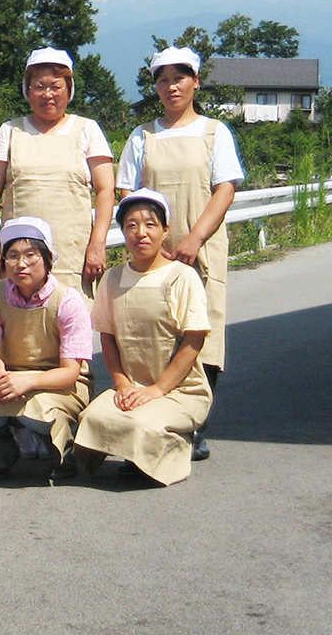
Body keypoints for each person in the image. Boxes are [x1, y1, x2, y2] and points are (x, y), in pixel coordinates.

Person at [116, 46, 244, 462]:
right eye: (162, 79)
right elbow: (127, 193)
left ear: (195, 82)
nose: (171, 86)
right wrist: (148, 239)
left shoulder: (214, 132)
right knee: (153, 336)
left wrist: (193, 240)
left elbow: (225, 187)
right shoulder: (143, 136)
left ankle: (194, 424)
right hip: (151, 253)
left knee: (200, 334)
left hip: (199, 250)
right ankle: (154, 417)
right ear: (154, 86)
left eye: (179, 77)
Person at [74, 190, 213, 486]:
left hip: (178, 391)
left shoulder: (182, 277)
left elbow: (194, 341)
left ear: (165, 231)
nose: (141, 233)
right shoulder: (111, 279)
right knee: (92, 420)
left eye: (150, 225)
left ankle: (175, 446)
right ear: (123, 231)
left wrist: (159, 389)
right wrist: (122, 383)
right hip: (131, 386)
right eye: (131, 226)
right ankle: (137, 449)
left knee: (139, 424)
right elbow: (108, 339)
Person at [0, 217, 93, 481]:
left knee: (39, 409)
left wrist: (27, 381)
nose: (21, 264)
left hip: (60, 384)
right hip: (10, 377)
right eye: (12, 255)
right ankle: (2, 448)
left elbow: (69, 372)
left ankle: (61, 448)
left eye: (31, 255)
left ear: (47, 259)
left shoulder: (68, 300)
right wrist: (2, 378)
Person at [0, 47, 116, 298]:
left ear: (69, 89)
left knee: (71, 325)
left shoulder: (87, 129)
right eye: (39, 87)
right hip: (19, 258)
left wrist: (97, 244)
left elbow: (106, 190)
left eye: (55, 86)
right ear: (27, 91)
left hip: (73, 254)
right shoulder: (10, 131)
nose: (47, 94)